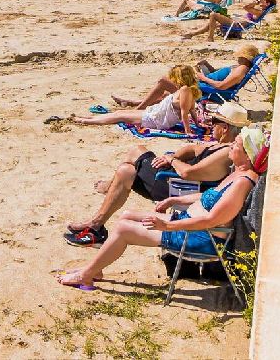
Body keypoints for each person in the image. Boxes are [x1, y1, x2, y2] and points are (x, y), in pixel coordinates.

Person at [58, 127, 266, 291]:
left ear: (247, 155)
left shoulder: (242, 182)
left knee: (123, 229)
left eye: (237, 144)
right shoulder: (237, 173)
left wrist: (167, 225)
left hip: (202, 239)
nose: (232, 145)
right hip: (191, 227)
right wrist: (170, 203)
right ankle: (95, 269)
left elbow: (211, 220)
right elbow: (206, 196)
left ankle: (87, 274)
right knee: (127, 215)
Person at [63, 103, 248, 246]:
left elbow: (188, 173)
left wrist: (172, 161)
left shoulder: (226, 152)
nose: (210, 124)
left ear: (224, 128)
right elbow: (192, 148)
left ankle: (104, 198)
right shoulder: (219, 145)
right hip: (174, 181)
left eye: (214, 122)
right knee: (126, 171)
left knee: (137, 150)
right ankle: (96, 228)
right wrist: (173, 155)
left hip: (178, 188)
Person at [113, 43, 259, 109]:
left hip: (205, 92)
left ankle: (138, 109)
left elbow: (222, 86)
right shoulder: (239, 67)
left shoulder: (241, 70)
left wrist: (203, 78)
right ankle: (133, 103)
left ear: (245, 58)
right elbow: (221, 79)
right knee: (168, 93)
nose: (238, 57)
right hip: (204, 86)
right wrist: (208, 68)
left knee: (163, 81)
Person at [71, 65, 202, 137]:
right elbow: (192, 111)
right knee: (120, 113)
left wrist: (188, 132)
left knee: (120, 116)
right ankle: (87, 118)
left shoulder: (184, 90)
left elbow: (185, 113)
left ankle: (85, 120)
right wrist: (197, 125)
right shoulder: (190, 90)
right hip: (155, 114)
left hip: (155, 119)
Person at [180, 0, 276, 41]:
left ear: (267, 3)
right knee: (212, 23)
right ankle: (191, 34)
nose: (261, 1)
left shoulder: (259, 12)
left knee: (213, 15)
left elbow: (246, 8)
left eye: (264, 0)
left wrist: (255, 3)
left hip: (239, 24)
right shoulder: (260, 10)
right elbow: (247, 8)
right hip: (238, 22)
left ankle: (210, 38)